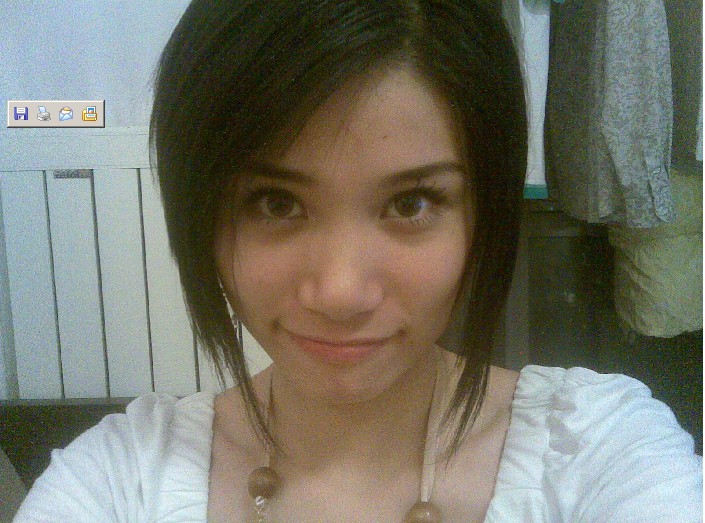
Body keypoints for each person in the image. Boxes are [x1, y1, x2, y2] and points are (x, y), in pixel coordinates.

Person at [14, 1, 702, 521]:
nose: (340, 292)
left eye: (410, 202)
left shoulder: (595, 452)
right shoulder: (117, 482)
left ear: (482, 212)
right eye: (276, 203)